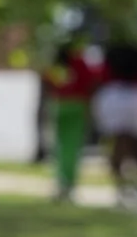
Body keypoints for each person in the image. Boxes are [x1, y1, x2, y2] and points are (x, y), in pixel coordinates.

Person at [92, 41, 137, 208]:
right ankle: (135, 184)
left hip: (114, 97)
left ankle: (121, 187)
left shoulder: (111, 56)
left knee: (118, 144)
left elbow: (101, 77)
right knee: (136, 144)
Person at [42, 38, 103, 201]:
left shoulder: (57, 66)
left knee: (60, 147)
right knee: (73, 147)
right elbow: (91, 82)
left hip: (60, 106)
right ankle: (69, 183)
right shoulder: (79, 62)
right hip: (77, 106)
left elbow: (49, 85)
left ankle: (61, 182)